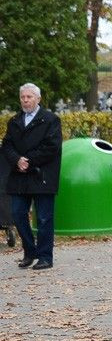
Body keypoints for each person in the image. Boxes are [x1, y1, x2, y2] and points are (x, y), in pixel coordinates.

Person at [2, 83, 62, 270]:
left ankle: (45, 256)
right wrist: (17, 160)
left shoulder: (50, 120)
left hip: (41, 175)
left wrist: (28, 161)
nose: (25, 100)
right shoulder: (14, 121)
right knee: (18, 214)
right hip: (19, 175)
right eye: (23, 97)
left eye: (29, 97)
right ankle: (30, 251)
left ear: (38, 99)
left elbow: (51, 147)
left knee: (44, 218)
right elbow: (7, 145)